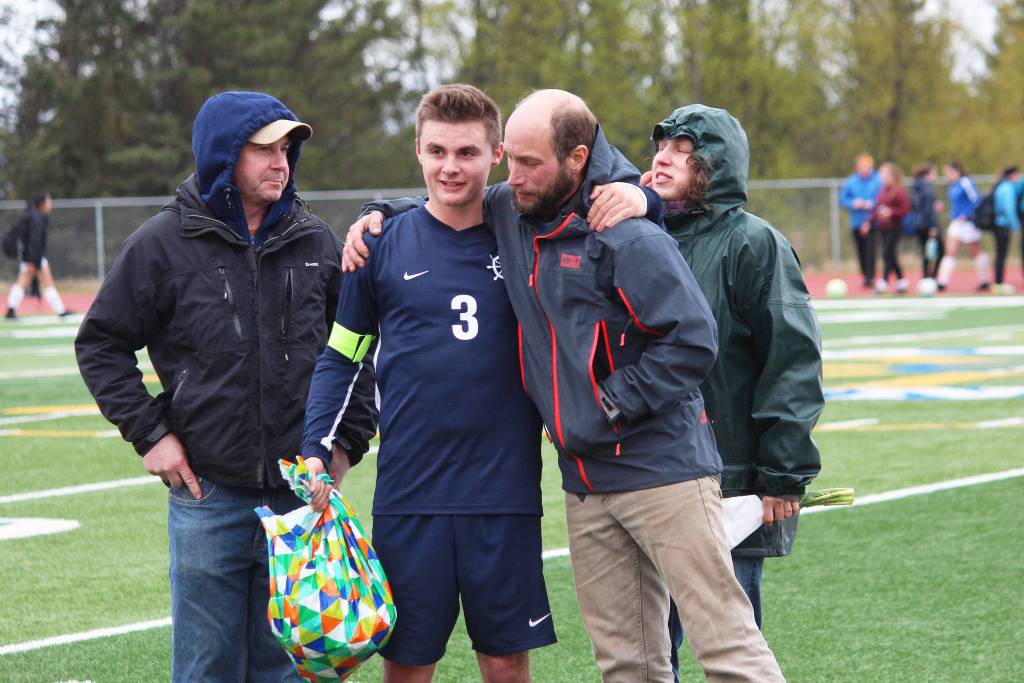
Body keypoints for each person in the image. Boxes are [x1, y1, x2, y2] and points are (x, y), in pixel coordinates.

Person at [349, 89, 785, 682]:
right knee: (628, 663)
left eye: (529, 164)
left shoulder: (624, 229)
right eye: (510, 162)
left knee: (727, 649)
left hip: (662, 472)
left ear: (577, 159)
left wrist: (609, 404)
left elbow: (692, 340)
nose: (513, 178)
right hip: (585, 481)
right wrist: (378, 213)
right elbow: (450, 198)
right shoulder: (516, 209)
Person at [74, 91, 377, 682]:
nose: (281, 162)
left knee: (287, 669)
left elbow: (356, 349)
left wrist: (347, 443)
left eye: (287, 149)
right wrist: (150, 435)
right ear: (223, 155)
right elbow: (101, 342)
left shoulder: (316, 242)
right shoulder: (161, 243)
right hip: (206, 493)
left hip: (299, 493)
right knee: (206, 667)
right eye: (265, 149)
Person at [302, 84, 560, 683]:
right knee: (410, 663)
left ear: (496, 154)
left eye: (467, 153)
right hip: (410, 495)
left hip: (504, 494)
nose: (450, 166)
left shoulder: (524, 235)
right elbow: (342, 358)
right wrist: (317, 445)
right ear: (417, 150)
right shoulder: (381, 246)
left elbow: (593, 183)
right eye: (437, 150)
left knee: (504, 662)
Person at [630, 103, 823, 677]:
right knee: (649, 645)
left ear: (713, 166)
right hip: (650, 473)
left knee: (731, 643)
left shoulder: (753, 243)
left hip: (729, 479)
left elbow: (790, 361)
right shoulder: (640, 235)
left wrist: (782, 474)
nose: (664, 159)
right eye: (661, 148)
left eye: (683, 153)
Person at [4, 193, 72, 319]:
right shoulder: (37, 218)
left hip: (32, 257)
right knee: (32, 283)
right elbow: (34, 241)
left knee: (29, 283)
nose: (50, 204)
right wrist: (35, 261)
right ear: (42, 203)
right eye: (49, 201)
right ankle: (60, 311)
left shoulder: (31, 215)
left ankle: (60, 310)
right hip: (34, 258)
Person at [936, 160, 989, 292]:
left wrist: (967, 214)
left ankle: (984, 281)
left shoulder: (966, 182)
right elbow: (957, 204)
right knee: (950, 252)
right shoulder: (951, 185)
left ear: (956, 171)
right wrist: (953, 213)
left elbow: (977, 199)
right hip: (956, 223)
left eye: (948, 172)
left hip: (968, 223)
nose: (946, 175)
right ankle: (942, 282)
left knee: (975, 251)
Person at [865, 162, 911, 293]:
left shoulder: (899, 191)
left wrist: (891, 212)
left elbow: (905, 209)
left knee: (887, 253)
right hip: (883, 228)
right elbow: (876, 208)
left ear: (892, 176)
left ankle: (884, 282)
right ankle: (902, 282)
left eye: (884, 174)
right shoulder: (882, 191)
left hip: (895, 227)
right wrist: (868, 222)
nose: (881, 178)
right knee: (890, 255)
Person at [840, 154, 882, 288]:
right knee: (861, 250)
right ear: (858, 168)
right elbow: (842, 199)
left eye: (868, 167)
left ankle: (870, 277)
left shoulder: (878, 181)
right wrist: (854, 203)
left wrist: (873, 204)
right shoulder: (851, 181)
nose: (865, 169)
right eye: (863, 167)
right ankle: (865, 275)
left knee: (871, 250)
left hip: (872, 222)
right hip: (856, 222)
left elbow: (883, 198)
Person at [909, 163, 943, 279]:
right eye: (934, 173)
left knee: (926, 253)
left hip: (918, 224)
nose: (936, 176)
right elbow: (928, 209)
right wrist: (933, 227)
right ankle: (931, 277)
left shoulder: (915, 186)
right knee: (940, 251)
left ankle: (925, 277)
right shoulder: (927, 188)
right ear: (927, 174)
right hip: (928, 225)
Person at [993, 165, 1021, 293]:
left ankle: (998, 282)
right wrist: (1015, 225)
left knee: (999, 254)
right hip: (1003, 225)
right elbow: (1009, 209)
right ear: (1012, 175)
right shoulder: (1008, 188)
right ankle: (999, 283)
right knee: (1001, 255)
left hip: (998, 224)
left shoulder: (1000, 186)